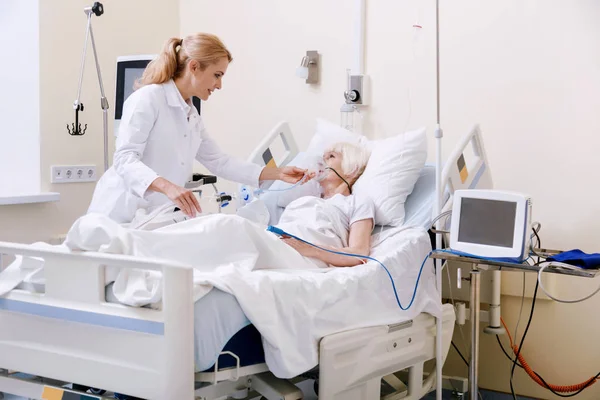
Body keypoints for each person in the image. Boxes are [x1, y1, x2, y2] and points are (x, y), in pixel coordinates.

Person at [88, 33, 308, 224]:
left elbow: (219, 161)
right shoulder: (148, 98)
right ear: (194, 66)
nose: (219, 85)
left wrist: (278, 173)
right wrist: (169, 187)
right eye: (217, 75)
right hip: (119, 212)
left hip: (153, 216)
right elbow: (125, 158)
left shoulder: (191, 115)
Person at [276, 141, 374, 267]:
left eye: (331, 156)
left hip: (304, 258)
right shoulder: (310, 199)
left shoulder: (357, 202)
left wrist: (310, 249)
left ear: (352, 169)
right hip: (279, 244)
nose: (320, 162)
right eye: (323, 157)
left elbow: (358, 253)